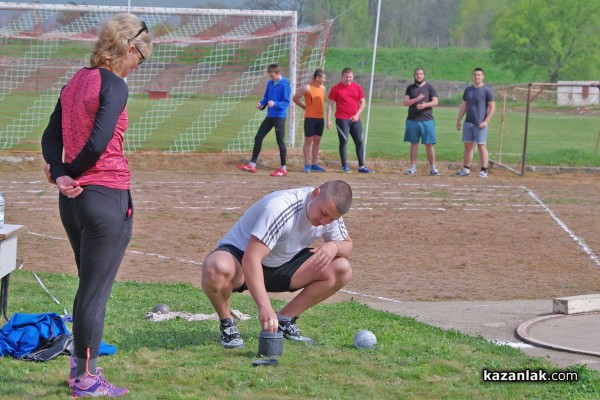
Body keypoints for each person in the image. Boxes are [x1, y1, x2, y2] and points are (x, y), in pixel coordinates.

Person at [41, 13, 151, 397]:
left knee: (88, 288)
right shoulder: (115, 84)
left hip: (71, 202)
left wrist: (60, 175)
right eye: (143, 57)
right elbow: (99, 142)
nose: (140, 65)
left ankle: (79, 372)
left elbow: (50, 136)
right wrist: (69, 172)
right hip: (105, 197)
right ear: (130, 48)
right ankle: (87, 380)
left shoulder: (75, 81)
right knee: (94, 293)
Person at [201, 180, 353, 348]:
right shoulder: (281, 207)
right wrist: (265, 307)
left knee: (341, 269)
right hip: (242, 263)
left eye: (332, 219)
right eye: (323, 213)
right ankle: (227, 322)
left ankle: (285, 320)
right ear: (315, 194)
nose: (325, 222)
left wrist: (335, 245)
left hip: (282, 264)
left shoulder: (329, 213)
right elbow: (251, 258)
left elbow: (347, 244)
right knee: (215, 267)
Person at [238, 63, 291, 177]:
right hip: (270, 116)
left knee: (280, 141)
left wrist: (275, 103)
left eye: (273, 76)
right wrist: (261, 104)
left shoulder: (285, 84)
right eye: (270, 76)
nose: (271, 78)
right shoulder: (270, 83)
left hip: (279, 117)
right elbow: (267, 97)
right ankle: (252, 165)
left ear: (278, 74)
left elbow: (286, 102)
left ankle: (283, 168)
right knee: (258, 137)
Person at [326, 67, 374, 174]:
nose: (348, 79)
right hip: (342, 119)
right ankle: (345, 166)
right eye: (346, 77)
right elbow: (330, 105)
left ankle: (361, 166)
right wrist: (328, 120)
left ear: (353, 77)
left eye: (350, 77)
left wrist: (357, 115)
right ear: (342, 77)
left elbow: (363, 103)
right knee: (344, 141)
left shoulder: (357, 87)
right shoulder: (336, 89)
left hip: (355, 119)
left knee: (359, 141)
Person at [455, 67, 496, 177]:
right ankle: (466, 169)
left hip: (480, 124)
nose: (476, 77)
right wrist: (459, 120)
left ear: (483, 76)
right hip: (468, 123)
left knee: (481, 146)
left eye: (479, 75)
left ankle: (484, 170)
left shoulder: (487, 90)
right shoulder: (468, 90)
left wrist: (486, 121)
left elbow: (492, 107)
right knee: (468, 146)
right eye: (475, 75)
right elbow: (464, 105)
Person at [403, 68, 440, 176]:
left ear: (424, 75)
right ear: (414, 75)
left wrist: (425, 105)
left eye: (421, 74)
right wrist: (416, 99)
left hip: (427, 120)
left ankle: (433, 168)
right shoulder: (410, 88)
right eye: (417, 74)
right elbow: (405, 102)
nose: (419, 76)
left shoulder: (429, 87)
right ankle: (413, 168)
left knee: (429, 144)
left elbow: (435, 101)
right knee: (413, 144)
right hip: (412, 120)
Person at [293, 69, 327, 173]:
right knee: (308, 141)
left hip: (320, 119)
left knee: (317, 140)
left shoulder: (323, 88)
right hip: (310, 118)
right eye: (323, 78)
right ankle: (307, 164)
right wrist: (304, 107)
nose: (324, 80)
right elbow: (295, 98)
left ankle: (314, 164)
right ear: (317, 78)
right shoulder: (307, 88)